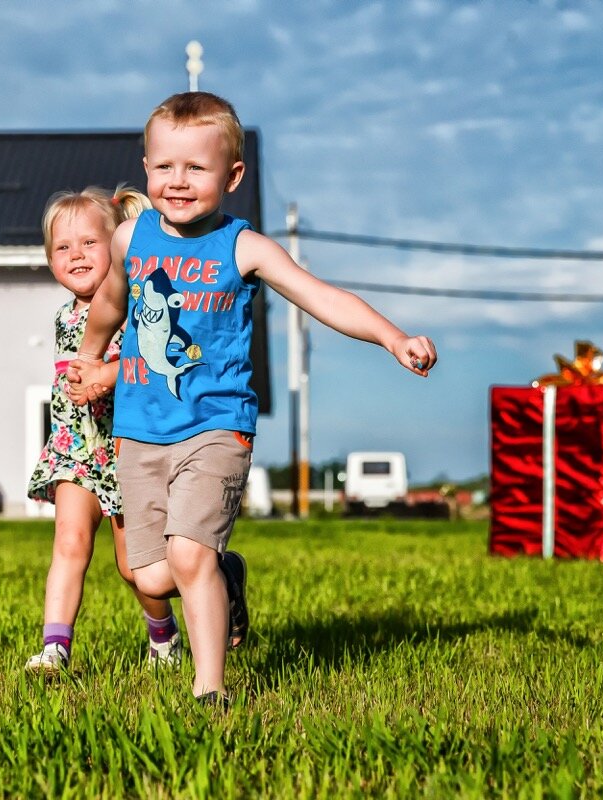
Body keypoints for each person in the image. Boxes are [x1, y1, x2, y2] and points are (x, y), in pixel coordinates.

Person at [69, 91, 438, 705]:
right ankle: (226, 574)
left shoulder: (245, 248)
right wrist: (89, 353)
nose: (178, 182)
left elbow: (325, 297)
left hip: (217, 426)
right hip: (139, 427)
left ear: (232, 176)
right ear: (145, 168)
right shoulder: (130, 239)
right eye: (164, 168)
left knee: (187, 556)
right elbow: (109, 303)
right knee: (148, 573)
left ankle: (209, 691)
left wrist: (392, 338)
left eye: (196, 168)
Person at [25, 185, 182, 675]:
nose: (75, 255)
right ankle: (56, 649)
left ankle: (165, 636)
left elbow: (149, 363)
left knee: (134, 567)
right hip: (76, 451)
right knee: (70, 544)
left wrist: (104, 377)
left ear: (116, 245)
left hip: (127, 451)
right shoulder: (63, 317)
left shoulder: (137, 308)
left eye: (89, 244)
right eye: (62, 248)